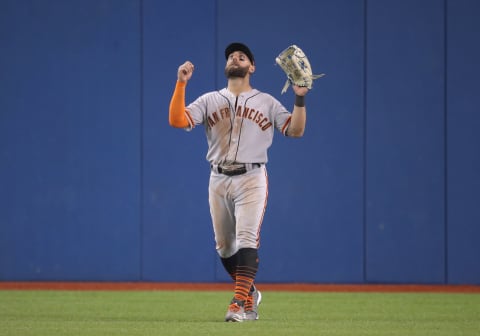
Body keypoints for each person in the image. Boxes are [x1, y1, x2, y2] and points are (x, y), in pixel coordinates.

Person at [168, 42, 310, 322]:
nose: (235, 58)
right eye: (231, 56)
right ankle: (250, 293)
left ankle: (237, 304)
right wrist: (181, 84)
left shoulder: (267, 101)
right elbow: (176, 120)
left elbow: (295, 130)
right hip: (218, 178)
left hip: (251, 177)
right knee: (224, 247)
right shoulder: (209, 100)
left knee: (247, 239)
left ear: (251, 67)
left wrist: (300, 98)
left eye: (241, 56)